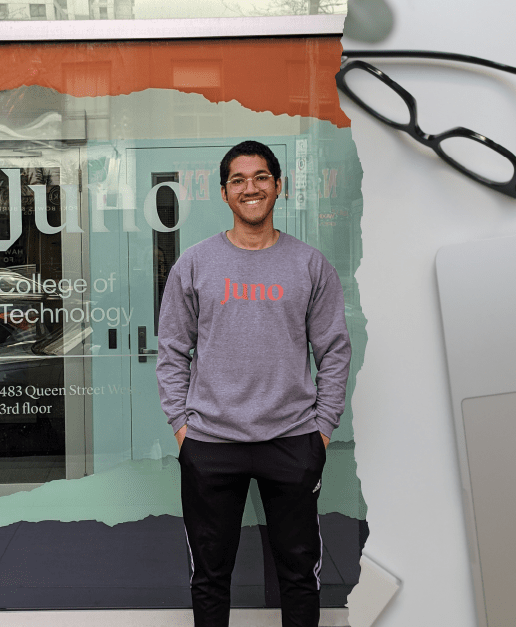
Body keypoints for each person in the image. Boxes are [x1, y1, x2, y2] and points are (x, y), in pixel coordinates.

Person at [156, 140, 352, 627]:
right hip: (211, 442)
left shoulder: (310, 265)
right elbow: (172, 351)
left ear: (278, 187)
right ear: (224, 193)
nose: (251, 188)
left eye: (261, 177)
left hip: (291, 439)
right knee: (209, 575)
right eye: (239, 180)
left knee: (299, 574)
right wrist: (183, 428)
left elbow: (334, 351)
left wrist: (321, 431)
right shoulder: (196, 264)